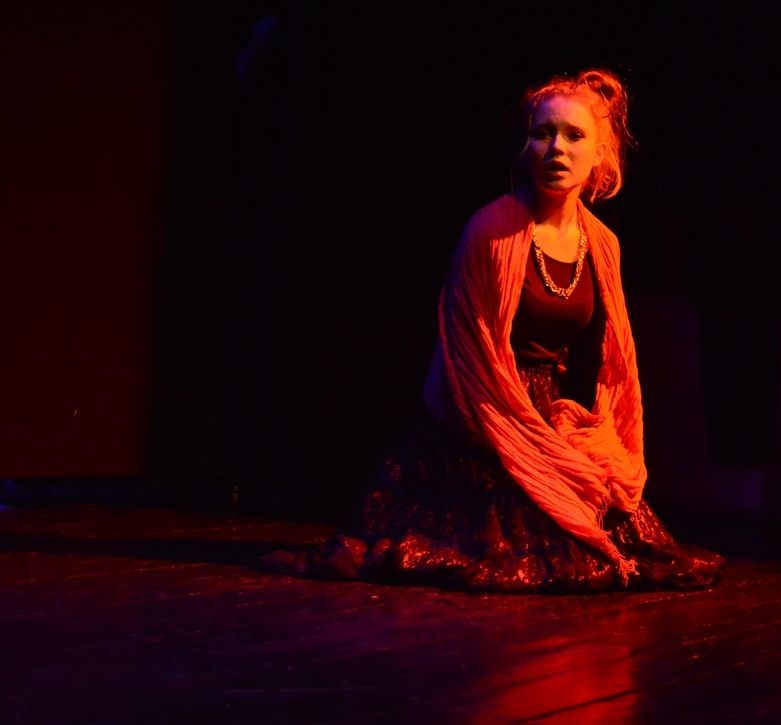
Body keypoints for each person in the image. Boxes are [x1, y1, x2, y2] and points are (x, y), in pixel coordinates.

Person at [264, 69, 726, 592]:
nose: (557, 148)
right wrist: (525, 438)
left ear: (600, 153)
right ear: (526, 147)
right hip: (480, 414)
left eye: (574, 135)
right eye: (543, 133)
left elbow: (604, 360)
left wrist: (581, 437)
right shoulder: (490, 231)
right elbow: (471, 357)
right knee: (531, 545)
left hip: (550, 410)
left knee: (612, 521)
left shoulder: (602, 244)